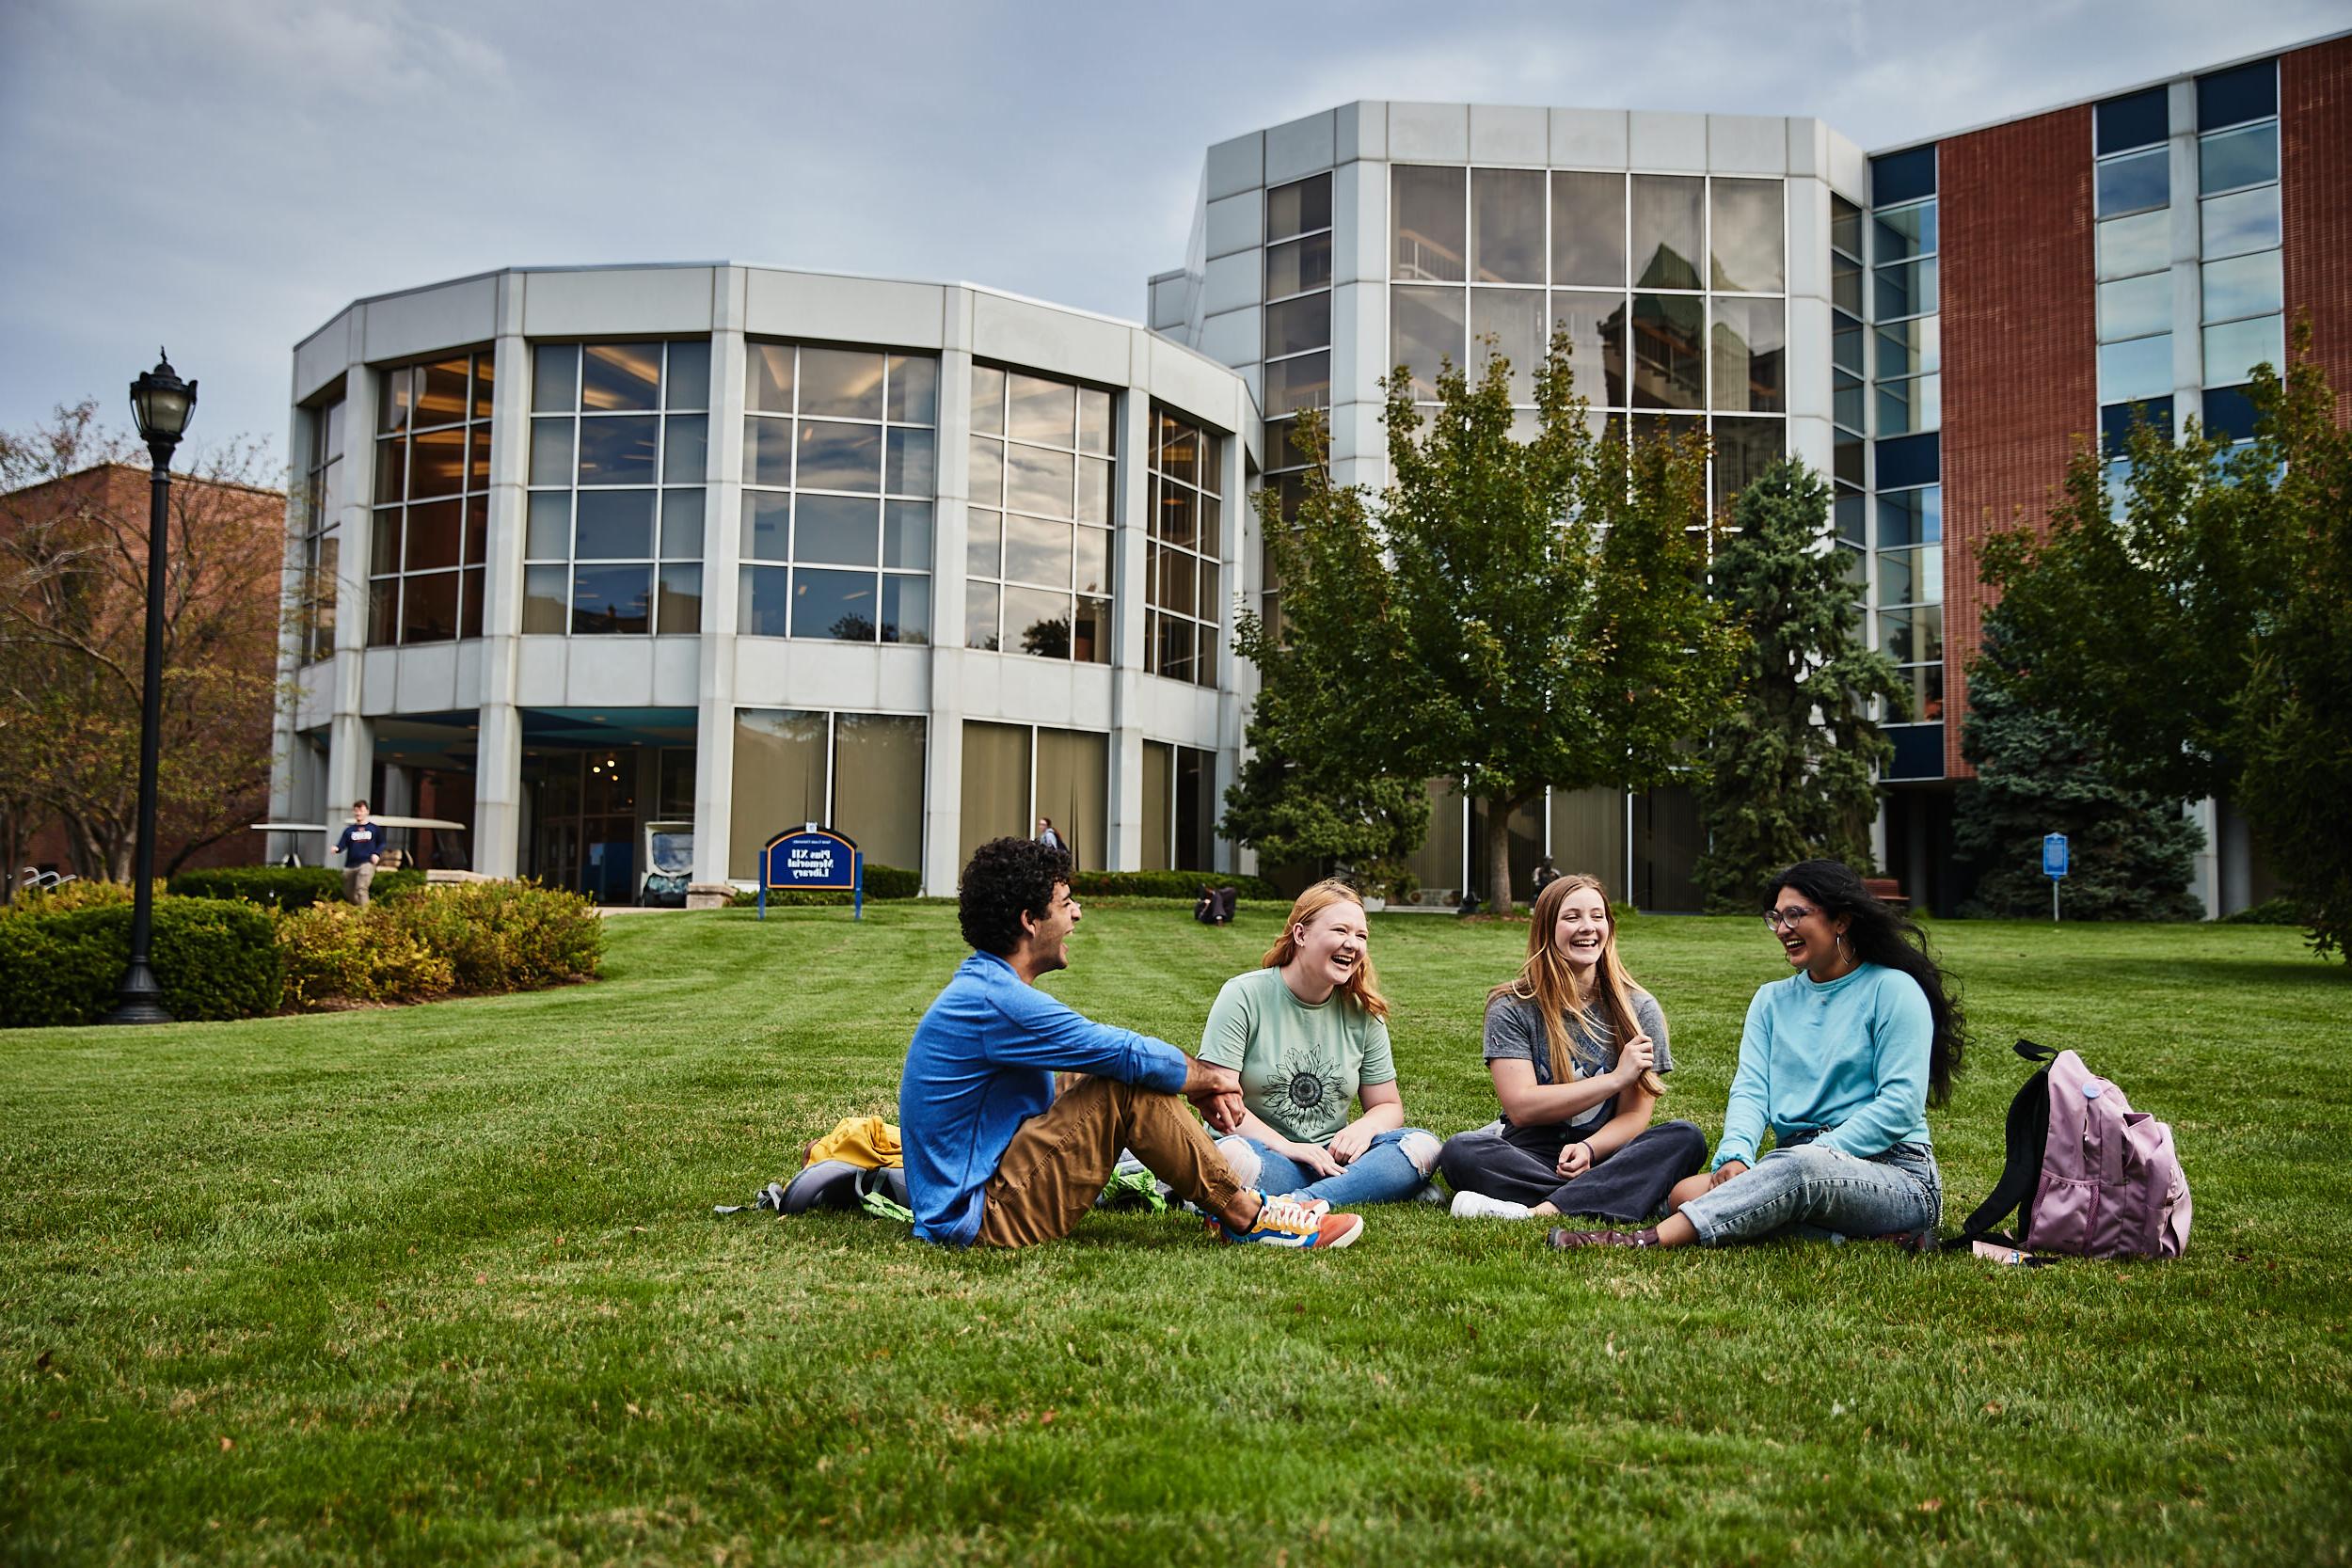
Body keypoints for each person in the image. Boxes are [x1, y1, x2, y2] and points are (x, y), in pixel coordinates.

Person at [898, 837, 1364, 1250]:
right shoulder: (995, 1002)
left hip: (982, 1190)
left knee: (1114, 1074)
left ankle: (1237, 1201)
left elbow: (1095, 1064)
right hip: (978, 1219)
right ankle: (1249, 1218)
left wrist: (1193, 1084)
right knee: (1127, 1082)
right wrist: (1211, 1079)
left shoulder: (985, 990)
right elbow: (1125, 1054)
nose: (1077, 912)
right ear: (1030, 921)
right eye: (1065, 903)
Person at [1549, 858, 1966, 1252]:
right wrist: (1735, 1157)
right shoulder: (1771, 1000)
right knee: (1684, 1193)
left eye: (1796, 915)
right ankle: (1848, 1236)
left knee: (1796, 1172)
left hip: (1895, 1176)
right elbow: (1751, 1090)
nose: (1784, 928)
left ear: (1841, 919)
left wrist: (1811, 1155)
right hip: (1792, 1165)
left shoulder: (1893, 990)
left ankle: (1644, 1240)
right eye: (1777, 918)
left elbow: (1899, 1107)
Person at [1438, 874, 1706, 1224]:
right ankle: (1626, 1194)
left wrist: (1590, 1149)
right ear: (1547, 928)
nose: (1587, 927)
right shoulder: (1511, 1005)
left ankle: (1539, 1211)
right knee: (1461, 1151)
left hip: (1606, 1153)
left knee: (1686, 1138)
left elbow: (1635, 1117)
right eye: (1572, 917)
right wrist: (1614, 1080)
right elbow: (1521, 1107)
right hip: (1528, 1153)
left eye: (1598, 917)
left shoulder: (1640, 1009)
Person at [1200, 879, 1442, 1208]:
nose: (1352, 944)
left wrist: (1365, 1128)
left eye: (1361, 936)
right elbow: (1219, 1106)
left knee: (1422, 1145)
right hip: (1264, 1153)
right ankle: (1364, 1188)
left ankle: (1303, 1203)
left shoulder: (1364, 1012)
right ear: (1301, 935)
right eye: (1341, 930)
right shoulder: (1243, 996)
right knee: (1232, 1157)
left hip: (1332, 1160)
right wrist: (1290, 1147)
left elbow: (1388, 1106)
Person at [334, 800, 383, 907]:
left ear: (367, 812)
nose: (358, 813)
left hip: (367, 863)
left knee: (361, 889)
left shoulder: (374, 829)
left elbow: (381, 843)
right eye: (356, 811)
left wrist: (376, 854)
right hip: (351, 865)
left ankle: (366, 916)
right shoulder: (349, 830)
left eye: (361, 810)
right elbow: (342, 845)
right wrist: (337, 848)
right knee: (349, 893)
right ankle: (358, 910)